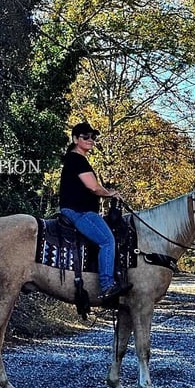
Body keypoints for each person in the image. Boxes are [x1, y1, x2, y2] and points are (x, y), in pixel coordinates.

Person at [59, 121, 132, 301]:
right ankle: (107, 285)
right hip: (80, 211)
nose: (91, 140)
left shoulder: (76, 159)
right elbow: (93, 187)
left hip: (77, 209)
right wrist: (111, 194)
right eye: (86, 137)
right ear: (76, 139)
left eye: (93, 137)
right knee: (107, 240)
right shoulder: (77, 160)